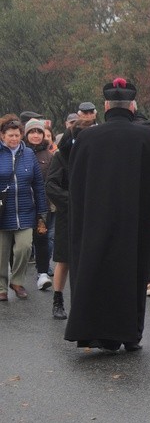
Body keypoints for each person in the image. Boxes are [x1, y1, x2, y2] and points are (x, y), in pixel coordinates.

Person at [64, 78, 150, 352]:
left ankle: (94, 332)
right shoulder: (147, 136)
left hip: (94, 220)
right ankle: (130, 335)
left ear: (105, 106)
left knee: (95, 272)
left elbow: (75, 184)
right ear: (133, 106)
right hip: (134, 222)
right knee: (132, 274)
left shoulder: (86, 137)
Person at [45, 118, 95, 320]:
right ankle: (58, 300)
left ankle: (86, 303)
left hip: (92, 214)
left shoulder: (97, 155)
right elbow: (51, 186)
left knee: (89, 260)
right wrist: (74, 201)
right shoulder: (61, 156)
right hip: (69, 213)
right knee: (64, 260)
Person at [0, 119, 47, 302]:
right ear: (2, 136)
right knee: (2, 254)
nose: (14, 138)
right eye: (10, 135)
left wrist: (42, 211)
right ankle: (2, 287)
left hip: (26, 211)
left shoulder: (28, 153)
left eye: (17, 135)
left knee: (24, 248)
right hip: (3, 212)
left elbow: (37, 184)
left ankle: (17, 282)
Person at [22, 119, 54, 291]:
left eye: (39, 132)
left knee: (42, 238)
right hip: (21, 205)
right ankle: (17, 274)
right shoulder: (20, 153)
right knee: (22, 243)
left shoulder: (49, 156)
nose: (36, 135)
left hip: (43, 204)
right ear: (26, 134)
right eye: (32, 131)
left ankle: (43, 272)